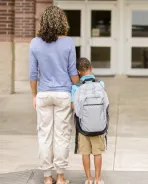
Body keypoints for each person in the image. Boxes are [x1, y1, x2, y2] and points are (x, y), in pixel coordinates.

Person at [29, 6, 79, 184]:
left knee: (44, 136)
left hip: (43, 94)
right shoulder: (68, 43)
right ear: (61, 21)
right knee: (62, 135)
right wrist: (80, 86)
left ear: (43, 22)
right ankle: (60, 176)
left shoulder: (35, 43)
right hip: (63, 95)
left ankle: (47, 178)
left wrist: (34, 95)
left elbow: (33, 75)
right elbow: (73, 73)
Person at [71, 57, 108, 184]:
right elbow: (105, 104)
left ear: (78, 71)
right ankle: (98, 179)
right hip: (98, 125)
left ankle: (89, 179)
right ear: (91, 69)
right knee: (97, 153)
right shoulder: (100, 84)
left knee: (85, 153)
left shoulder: (76, 87)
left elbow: (74, 107)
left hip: (83, 127)